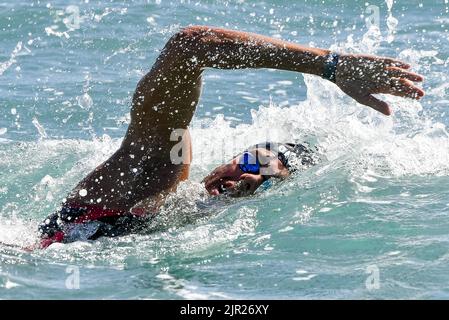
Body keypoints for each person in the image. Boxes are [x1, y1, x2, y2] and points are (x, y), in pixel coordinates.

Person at [38, 25, 424, 248]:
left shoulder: (191, 216)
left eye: (260, 178)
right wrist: (331, 66)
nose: (242, 176)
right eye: (250, 161)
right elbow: (191, 46)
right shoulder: (151, 169)